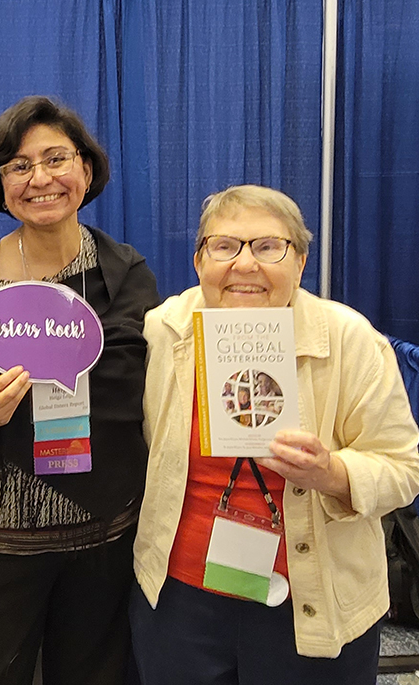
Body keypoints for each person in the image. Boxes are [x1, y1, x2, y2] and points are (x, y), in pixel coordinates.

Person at [0, 96, 160, 685]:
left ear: (87, 169)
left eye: (55, 159)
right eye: (19, 166)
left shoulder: (126, 274)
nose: (41, 179)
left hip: (104, 533)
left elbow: (144, 397)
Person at [131, 185, 419, 684]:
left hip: (311, 600)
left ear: (301, 262)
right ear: (199, 261)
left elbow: (404, 468)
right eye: (225, 246)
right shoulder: (166, 330)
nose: (245, 265)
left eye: (268, 247)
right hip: (181, 599)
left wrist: (332, 472)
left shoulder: (350, 340)